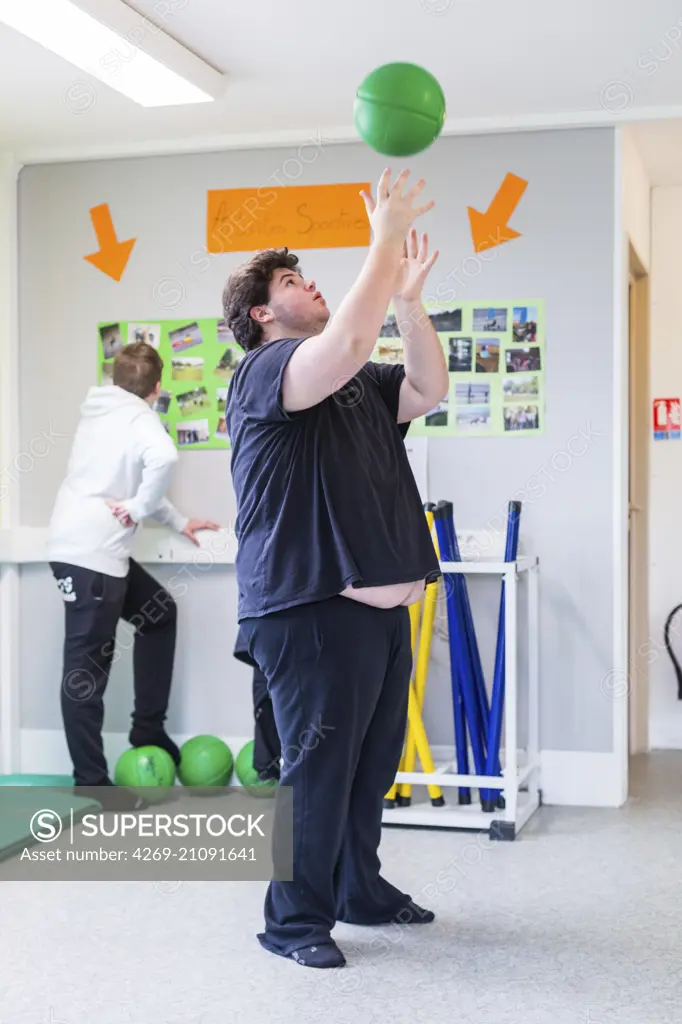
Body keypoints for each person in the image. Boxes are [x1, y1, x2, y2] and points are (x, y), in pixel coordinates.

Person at [222, 168, 448, 969]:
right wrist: (383, 240)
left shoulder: (354, 380)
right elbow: (347, 340)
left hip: (376, 613)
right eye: (290, 280)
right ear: (260, 312)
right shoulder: (263, 372)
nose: (307, 282)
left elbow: (428, 385)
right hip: (308, 608)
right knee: (316, 776)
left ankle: (358, 890)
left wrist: (409, 302)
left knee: (366, 771)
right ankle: (293, 923)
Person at [48, 341, 218, 805]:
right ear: (158, 388)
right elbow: (163, 460)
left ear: (114, 378)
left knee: (158, 612)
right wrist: (138, 507)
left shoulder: (99, 409)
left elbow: (127, 482)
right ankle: (93, 783)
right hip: (90, 555)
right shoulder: (140, 418)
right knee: (85, 672)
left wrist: (178, 521)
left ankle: (148, 728)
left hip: (89, 550)